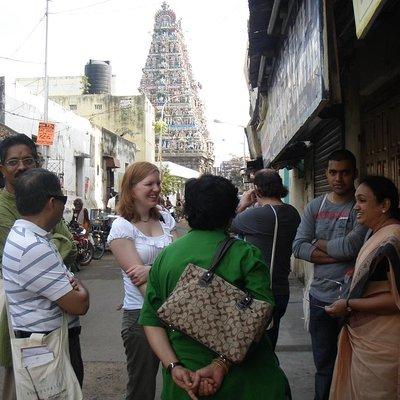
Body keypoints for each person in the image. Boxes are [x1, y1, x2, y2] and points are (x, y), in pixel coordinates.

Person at [139, 175, 289, 400]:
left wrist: (174, 367)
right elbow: (262, 317)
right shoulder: (246, 255)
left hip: (185, 384)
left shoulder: (166, 257)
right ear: (231, 212)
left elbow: (151, 321)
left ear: (188, 210)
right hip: (246, 383)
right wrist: (221, 363)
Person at [0, 134, 78, 400]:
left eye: (28, 160)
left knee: (68, 379)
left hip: (60, 320)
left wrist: (52, 250)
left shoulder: (47, 202)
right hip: (24, 320)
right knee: (30, 385)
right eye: (13, 161)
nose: (21, 167)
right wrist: (50, 250)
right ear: (2, 168)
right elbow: (38, 254)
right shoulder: (4, 209)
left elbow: (70, 246)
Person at [292, 149, 367, 400]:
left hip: (355, 301)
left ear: (354, 173)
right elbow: (299, 247)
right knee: (324, 367)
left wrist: (318, 241)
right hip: (320, 301)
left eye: (345, 172)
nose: (339, 178)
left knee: (357, 365)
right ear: (326, 173)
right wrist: (340, 253)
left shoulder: (362, 206)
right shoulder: (316, 206)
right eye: (333, 172)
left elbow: (352, 247)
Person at [107, 161, 177, 400]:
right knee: (142, 388)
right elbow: (140, 280)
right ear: (131, 188)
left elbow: (182, 264)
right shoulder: (122, 226)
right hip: (141, 315)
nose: (155, 189)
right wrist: (172, 310)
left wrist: (151, 269)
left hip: (173, 313)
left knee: (178, 381)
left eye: (158, 183)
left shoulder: (166, 219)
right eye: (149, 184)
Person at [326, 176, 400, 399]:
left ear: (384, 205)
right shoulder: (376, 233)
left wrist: (348, 304)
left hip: (383, 345)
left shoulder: (392, 240)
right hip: (366, 340)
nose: (356, 206)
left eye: (362, 200)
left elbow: (396, 300)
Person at [231, 169, 301, 350]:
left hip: (259, 293)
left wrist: (243, 204)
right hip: (281, 289)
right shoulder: (292, 213)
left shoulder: (257, 215)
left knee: (253, 351)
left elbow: (227, 225)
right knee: (270, 344)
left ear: (257, 189)